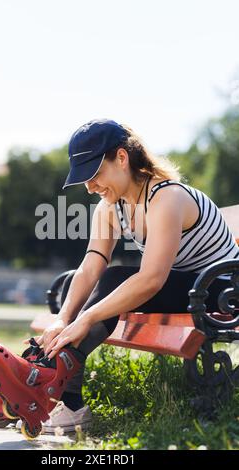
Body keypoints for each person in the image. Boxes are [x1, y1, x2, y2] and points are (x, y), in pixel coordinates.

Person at [27, 119, 239, 434]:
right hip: (190, 287)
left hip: (222, 287)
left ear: (122, 159)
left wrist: (85, 320)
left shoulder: (167, 197)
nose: (89, 187)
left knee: (115, 279)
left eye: (94, 174)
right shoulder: (110, 207)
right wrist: (63, 318)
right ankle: (44, 378)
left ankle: (55, 387)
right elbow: (89, 267)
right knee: (98, 280)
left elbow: (151, 279)